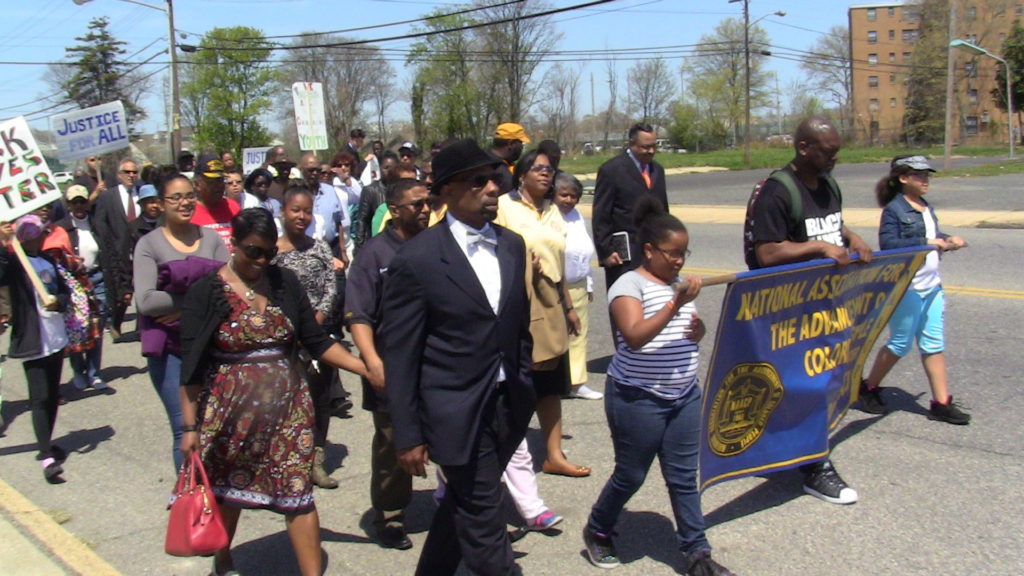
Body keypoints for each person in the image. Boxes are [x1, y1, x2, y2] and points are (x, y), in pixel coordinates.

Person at [179, 208, 368, 576]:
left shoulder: (284, 282)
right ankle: (223, 558)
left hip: (288, 412)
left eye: (269, 252)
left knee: (297, 492)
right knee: (226, 489)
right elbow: (191, 367)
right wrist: (190, 428)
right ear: (232, 244)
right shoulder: (206, 292)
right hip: (228, 414)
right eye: (253, 252)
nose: (262, 261)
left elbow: (315, 341)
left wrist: (364, 369)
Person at [379, 139, 535, 576]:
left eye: (495, 179)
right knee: (485, 519)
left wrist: (523, 382)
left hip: (508, 402)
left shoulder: (512, 245)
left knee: (466, 505)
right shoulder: (417, 259)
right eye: (478, 180)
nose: (492, 187)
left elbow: (516, 326)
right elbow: (402, 354)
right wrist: (408, 433)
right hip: (456, 411)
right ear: (445, 191)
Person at [583, 197, 735, 576]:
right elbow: (634, 337)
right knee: (631, 474)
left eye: (684, 253)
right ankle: (598, 528)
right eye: (672, 253)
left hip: (683, 395)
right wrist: (675, 303)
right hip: (638, 398)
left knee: (684, 477)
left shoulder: (676, 285)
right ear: (648, 250)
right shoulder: (628, 286)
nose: (679, 261)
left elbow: (680, 336)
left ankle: (697, 554)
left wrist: (696, 331)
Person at [745, 115, 873, 505]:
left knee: (820, 382)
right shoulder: (776, 191)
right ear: (804, 148)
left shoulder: (829, 184)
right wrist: (819, 249)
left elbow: (831, 227)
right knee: (810, 386)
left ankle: (783, 452)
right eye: (829, 151)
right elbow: (766, 253)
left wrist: (852, 237)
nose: (836, 157)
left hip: (827, 307)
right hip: (788, 313)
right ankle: (817, 467)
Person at [345, 178, 431, 551]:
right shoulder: (374, 254)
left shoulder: (438, 245)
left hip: (437, 363)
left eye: (428, 202)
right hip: (392, 365)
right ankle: (391, 515)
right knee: (394, 443)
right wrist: (372, 361)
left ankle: (459, 504)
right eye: (417, 205)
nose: (426, 209)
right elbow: (358, 314)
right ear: (394, 211)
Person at [495, 149, 589, 478]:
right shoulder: (504, 206)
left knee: (550, 382)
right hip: (518, 300)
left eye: (549, 169)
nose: (545, 174)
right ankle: (506, 456)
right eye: (537, 169)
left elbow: (559, 264)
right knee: (520, 380)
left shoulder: (553, 211)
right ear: (521, 174)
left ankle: (553, 454)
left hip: (550, 300)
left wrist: (568, 308)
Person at [860, 155, 970, 425]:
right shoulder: (894, 210)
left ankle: (941, 403)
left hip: (931, 285)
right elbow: (888, 245)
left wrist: (947, 239)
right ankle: (868, 388)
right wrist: (929, 242)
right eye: (919, 175)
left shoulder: (924, 206)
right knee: (900, 342)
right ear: (903, 178)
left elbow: (933, 233)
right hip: (907, 287)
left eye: (927, 176)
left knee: (934, 343)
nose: (925, 180)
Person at [134, 174, 230, 471]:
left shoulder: (211, 239)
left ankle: (215, 496)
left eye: (189, 195)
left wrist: (183, 306)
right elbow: (147, 301)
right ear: (162, 204)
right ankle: (189, 500)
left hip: (211, 345)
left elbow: (228, 289)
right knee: (185, 428)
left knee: (215, 423)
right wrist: (199, 300)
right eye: (175, 197)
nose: (184, 202)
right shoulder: (148, 245)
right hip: (170, 350)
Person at [272, 186, 341, 488]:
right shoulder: (272, 253)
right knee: (286, 403)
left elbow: (331, 287)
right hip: (284, 339)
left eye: (307, 211)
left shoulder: (321, 248)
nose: (302, 216)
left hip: (319, 335)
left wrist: (317, 321)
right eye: (295, 210)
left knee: (319, 400)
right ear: (282, 212)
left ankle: (317, 460)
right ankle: (288, 463)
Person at [0, 216, 70, 483]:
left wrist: (59, 302)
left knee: (52, 394)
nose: (43, 236)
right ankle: (46, 457)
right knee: (39, 396)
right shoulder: (15, 265)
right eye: (38, 233)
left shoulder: (49, 261)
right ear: (26, 236)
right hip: (32, 338)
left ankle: (47, 442)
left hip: (55, 336)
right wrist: (3, 242)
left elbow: (63, 291)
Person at [593, 122, 669, 289]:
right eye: (645, 147)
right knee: (626, 303)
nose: (651, 151)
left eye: (654, 146)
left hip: (653, 251)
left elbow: (664, 211)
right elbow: (601, 215)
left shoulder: (657, 170)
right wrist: (606, 251)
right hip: (624, 255)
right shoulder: (611, 170)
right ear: (632, 144)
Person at [49, 185, 108, 391]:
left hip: (97, 279)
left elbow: (108, 251)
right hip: (73, 283)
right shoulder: (61, 227)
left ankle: (94, 373)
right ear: (68, 205)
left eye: (83, 201)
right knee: (77, 327)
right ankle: (78, 370)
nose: (79, 206)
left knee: (97, 328)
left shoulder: (96, 224)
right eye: (75, 202)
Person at [553, 172, 602, 400]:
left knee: (578, 334)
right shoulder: (548, 215)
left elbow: (583, 250)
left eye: (574, 196)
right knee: (554, 336)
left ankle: (577, 382)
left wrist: (589, 283)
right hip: (555, 287)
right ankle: (554, 383)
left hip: (579, 284)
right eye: (564, 195)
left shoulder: (576, 216)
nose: (569, 200)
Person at [91, 157, 139, 341]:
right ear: (119, 175)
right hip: (118, 253)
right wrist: (109, 246)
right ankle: (116, 322)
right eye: (127, 172)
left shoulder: (142, 195)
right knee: (122, 294)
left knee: (143, 289)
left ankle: (141, 329)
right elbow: (100, 223)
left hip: (140, 250)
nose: (131, 175)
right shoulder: (108, 196)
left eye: (134, 172)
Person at [191, 153, 241, 252]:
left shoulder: (233, 207)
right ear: (197, 184)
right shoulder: (189, 213)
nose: (218, 186)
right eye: (212, 182)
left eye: (221, 180)